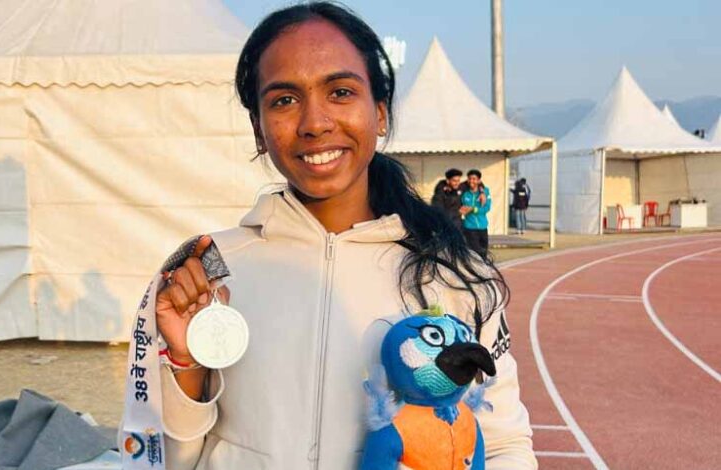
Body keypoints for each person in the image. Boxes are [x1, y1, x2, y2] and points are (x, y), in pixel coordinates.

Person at [136, 3, 536, 469]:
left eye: (341, 92)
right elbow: (159, 458)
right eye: (284, 100)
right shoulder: (206, 267)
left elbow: (504, 447)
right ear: (258, 130)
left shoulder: (456, 275)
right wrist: (186, 366)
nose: (314, 123)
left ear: (380, 114)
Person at [460, 169, 491, 257]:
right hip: (470, 228)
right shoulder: (464, 193)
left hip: (483, 227)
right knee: (475, 255)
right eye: (469, 178)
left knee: (484, 254)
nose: (471, 181)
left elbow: (487, 208)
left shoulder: (485, 192)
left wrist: (473, 209)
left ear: (479, 181)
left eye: (474, 179)